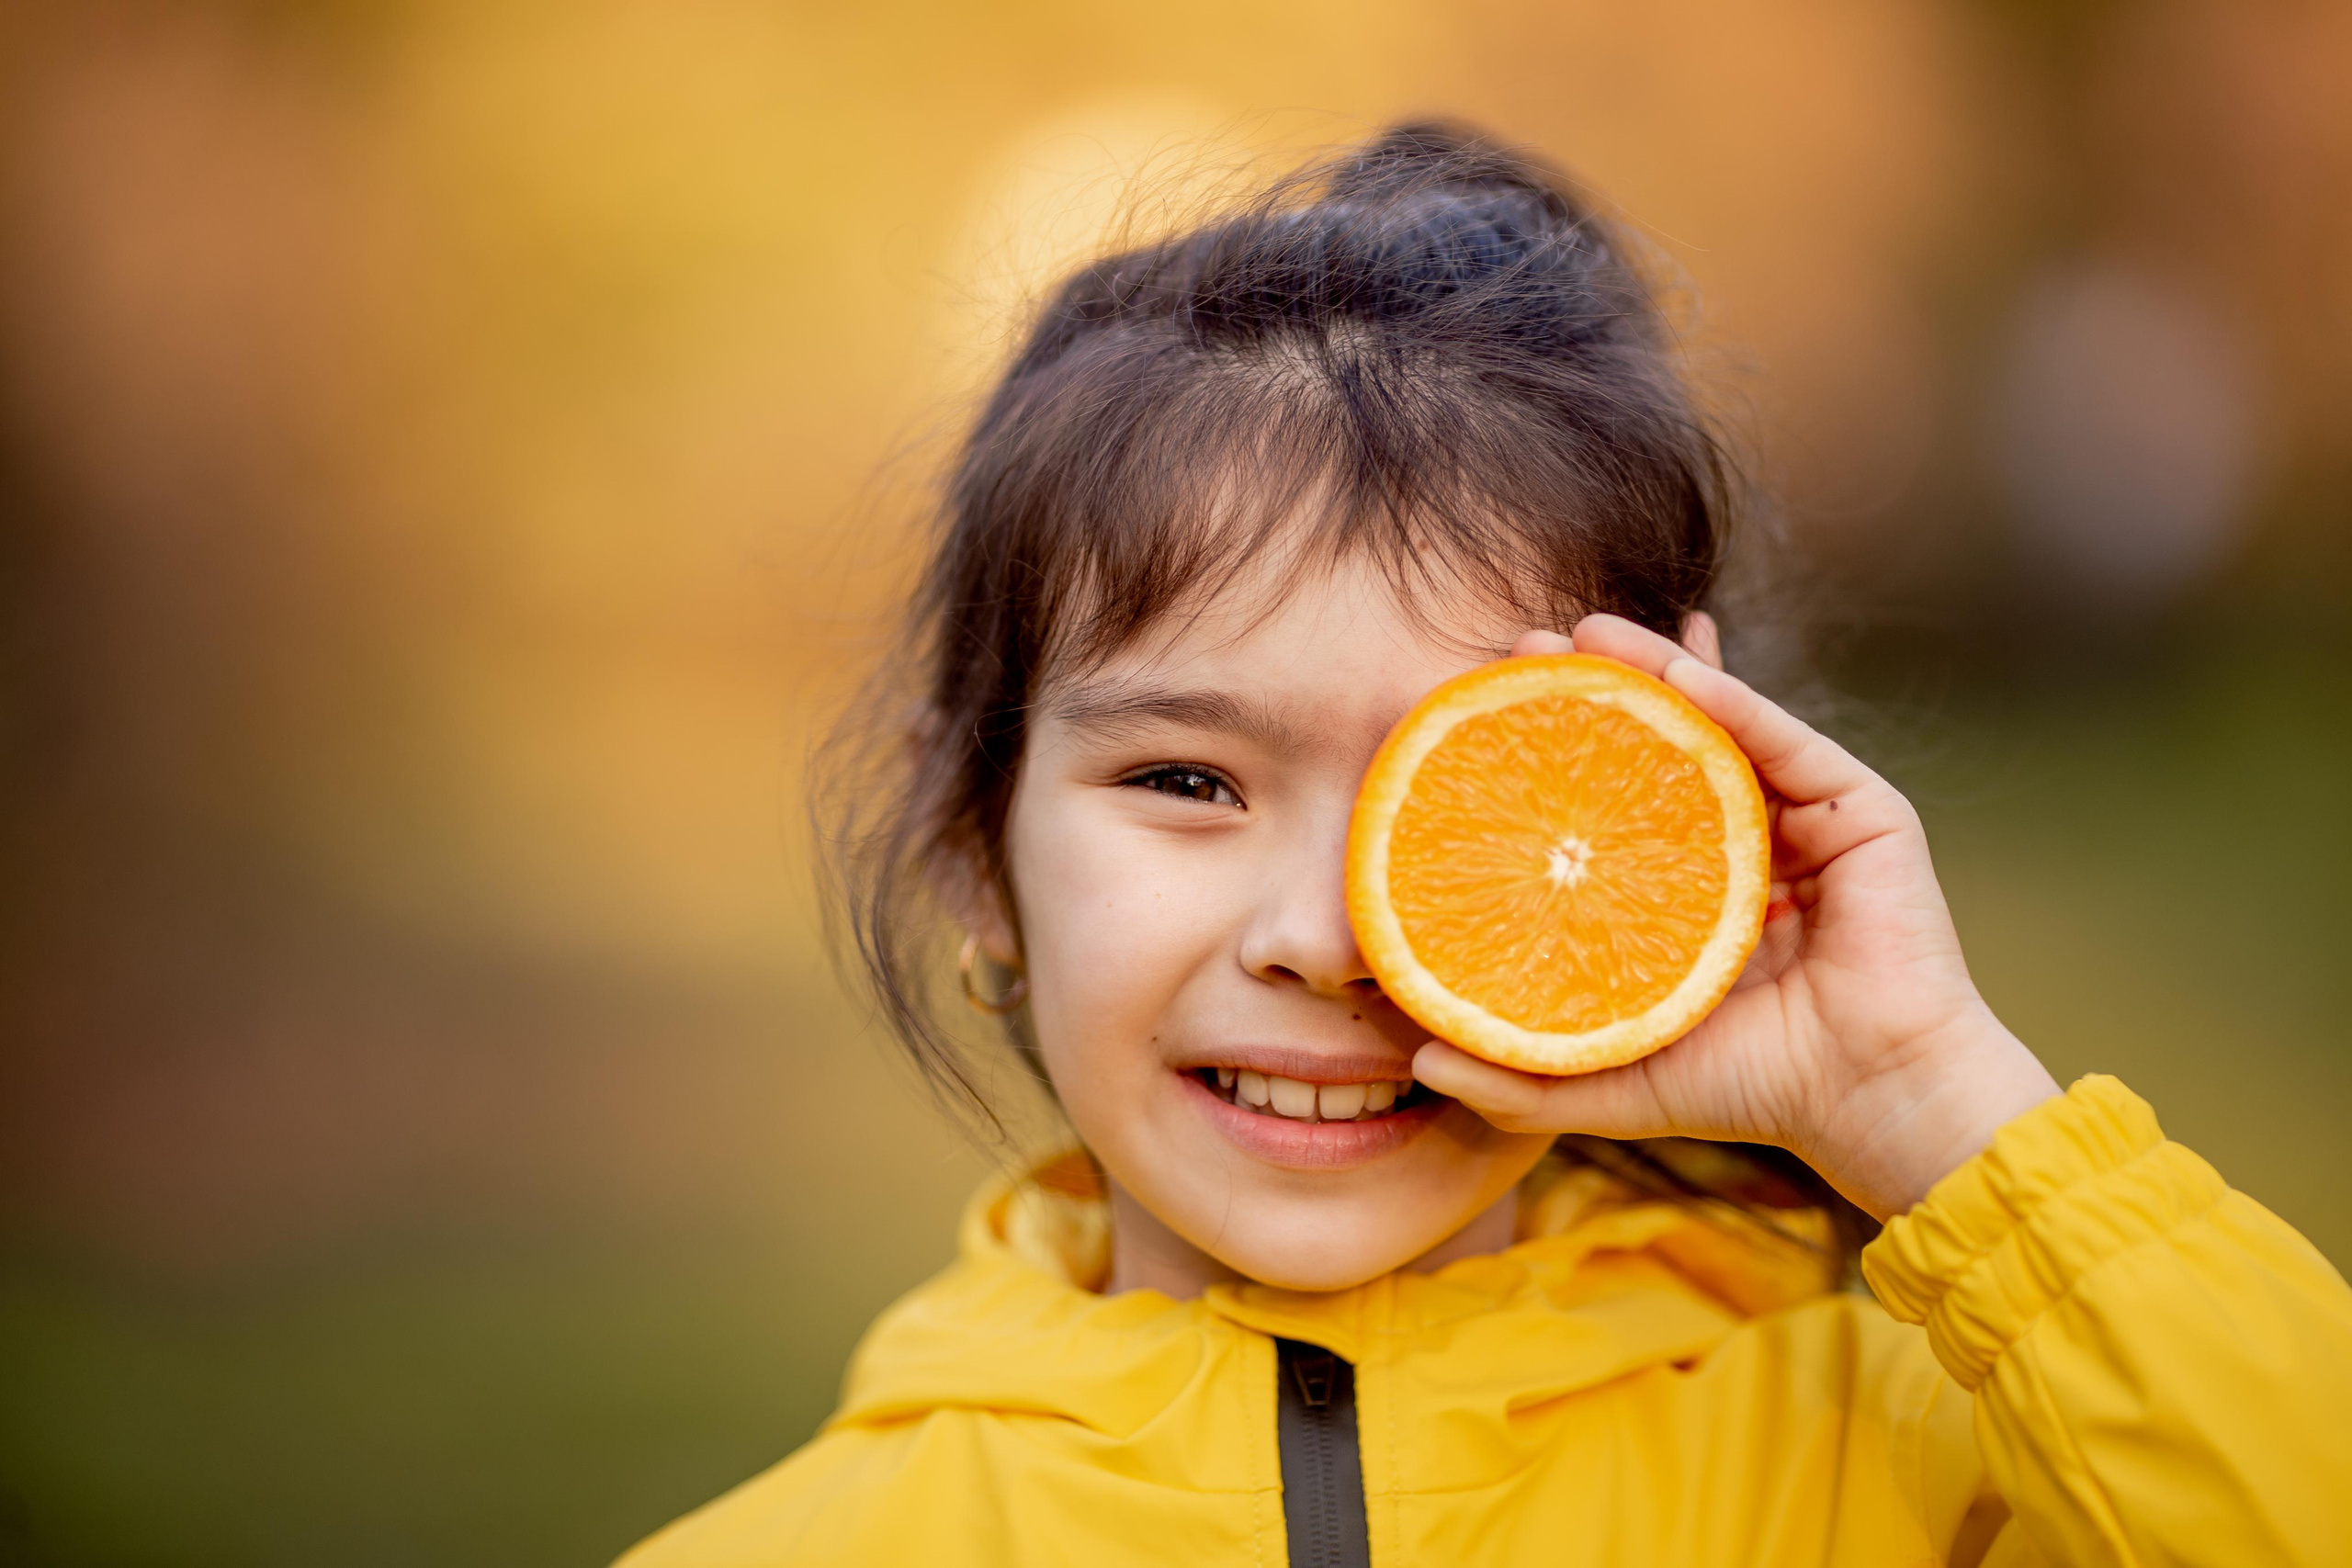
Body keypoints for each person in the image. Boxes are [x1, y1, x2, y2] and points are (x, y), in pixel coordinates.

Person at [616, 122, 2352, 1566]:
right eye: (1188, 782)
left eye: (1452, 803)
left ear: (1681, 804)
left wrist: (1924, 1101)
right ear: (971, 850)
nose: (1327, 936)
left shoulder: (1921, 1469)